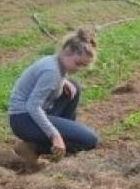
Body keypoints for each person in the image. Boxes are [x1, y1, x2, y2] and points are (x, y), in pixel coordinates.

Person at [8, 28, 99, 171]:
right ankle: (33, 147)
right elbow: (32, 106)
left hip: (30, 115)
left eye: (83, 66)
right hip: (23, 119)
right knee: (90, 140)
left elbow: (53, 81)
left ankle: (63, 143)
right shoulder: (51, 72)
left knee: (74, 87)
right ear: (67, 52)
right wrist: (55, 135)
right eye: (78, 63)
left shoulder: (55, 62)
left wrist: (64, 81)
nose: (79, 68)